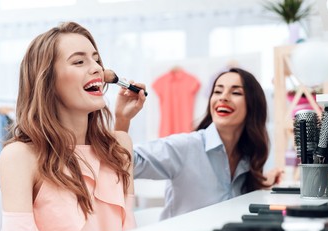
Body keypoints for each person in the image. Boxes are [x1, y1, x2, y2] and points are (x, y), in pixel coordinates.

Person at [0, 21, 146, 231]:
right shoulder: (20, 157)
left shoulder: (121, 145)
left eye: (96, 59)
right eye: (79, 61)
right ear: (47, 81)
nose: (97, 68)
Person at [115, 68, 283, 220]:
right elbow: (124, 163)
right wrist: (123, 120)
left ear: (253, 105)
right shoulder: (186, 147)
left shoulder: (248, 158)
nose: (223, 97)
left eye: (236, 93)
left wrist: (261, 181)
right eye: (217, 91)